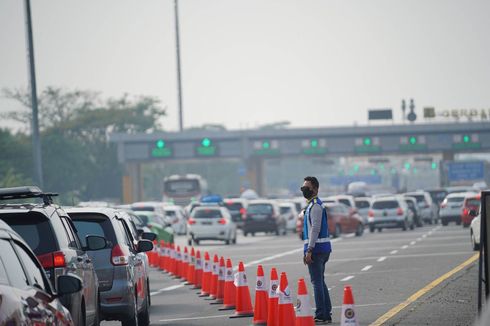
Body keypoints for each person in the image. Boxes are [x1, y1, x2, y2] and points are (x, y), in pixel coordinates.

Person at [302, 176, 332, 324]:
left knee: (316, 282)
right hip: (321, 249)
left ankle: (322, 314)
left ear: (315, 188)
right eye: (303, 188)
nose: (304, 190)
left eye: (306, 188)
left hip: (317, 250)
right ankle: (326, 312)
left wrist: (309, 250)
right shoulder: (312, 205)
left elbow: (315, 229)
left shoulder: (315, 206)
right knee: (320, 281)